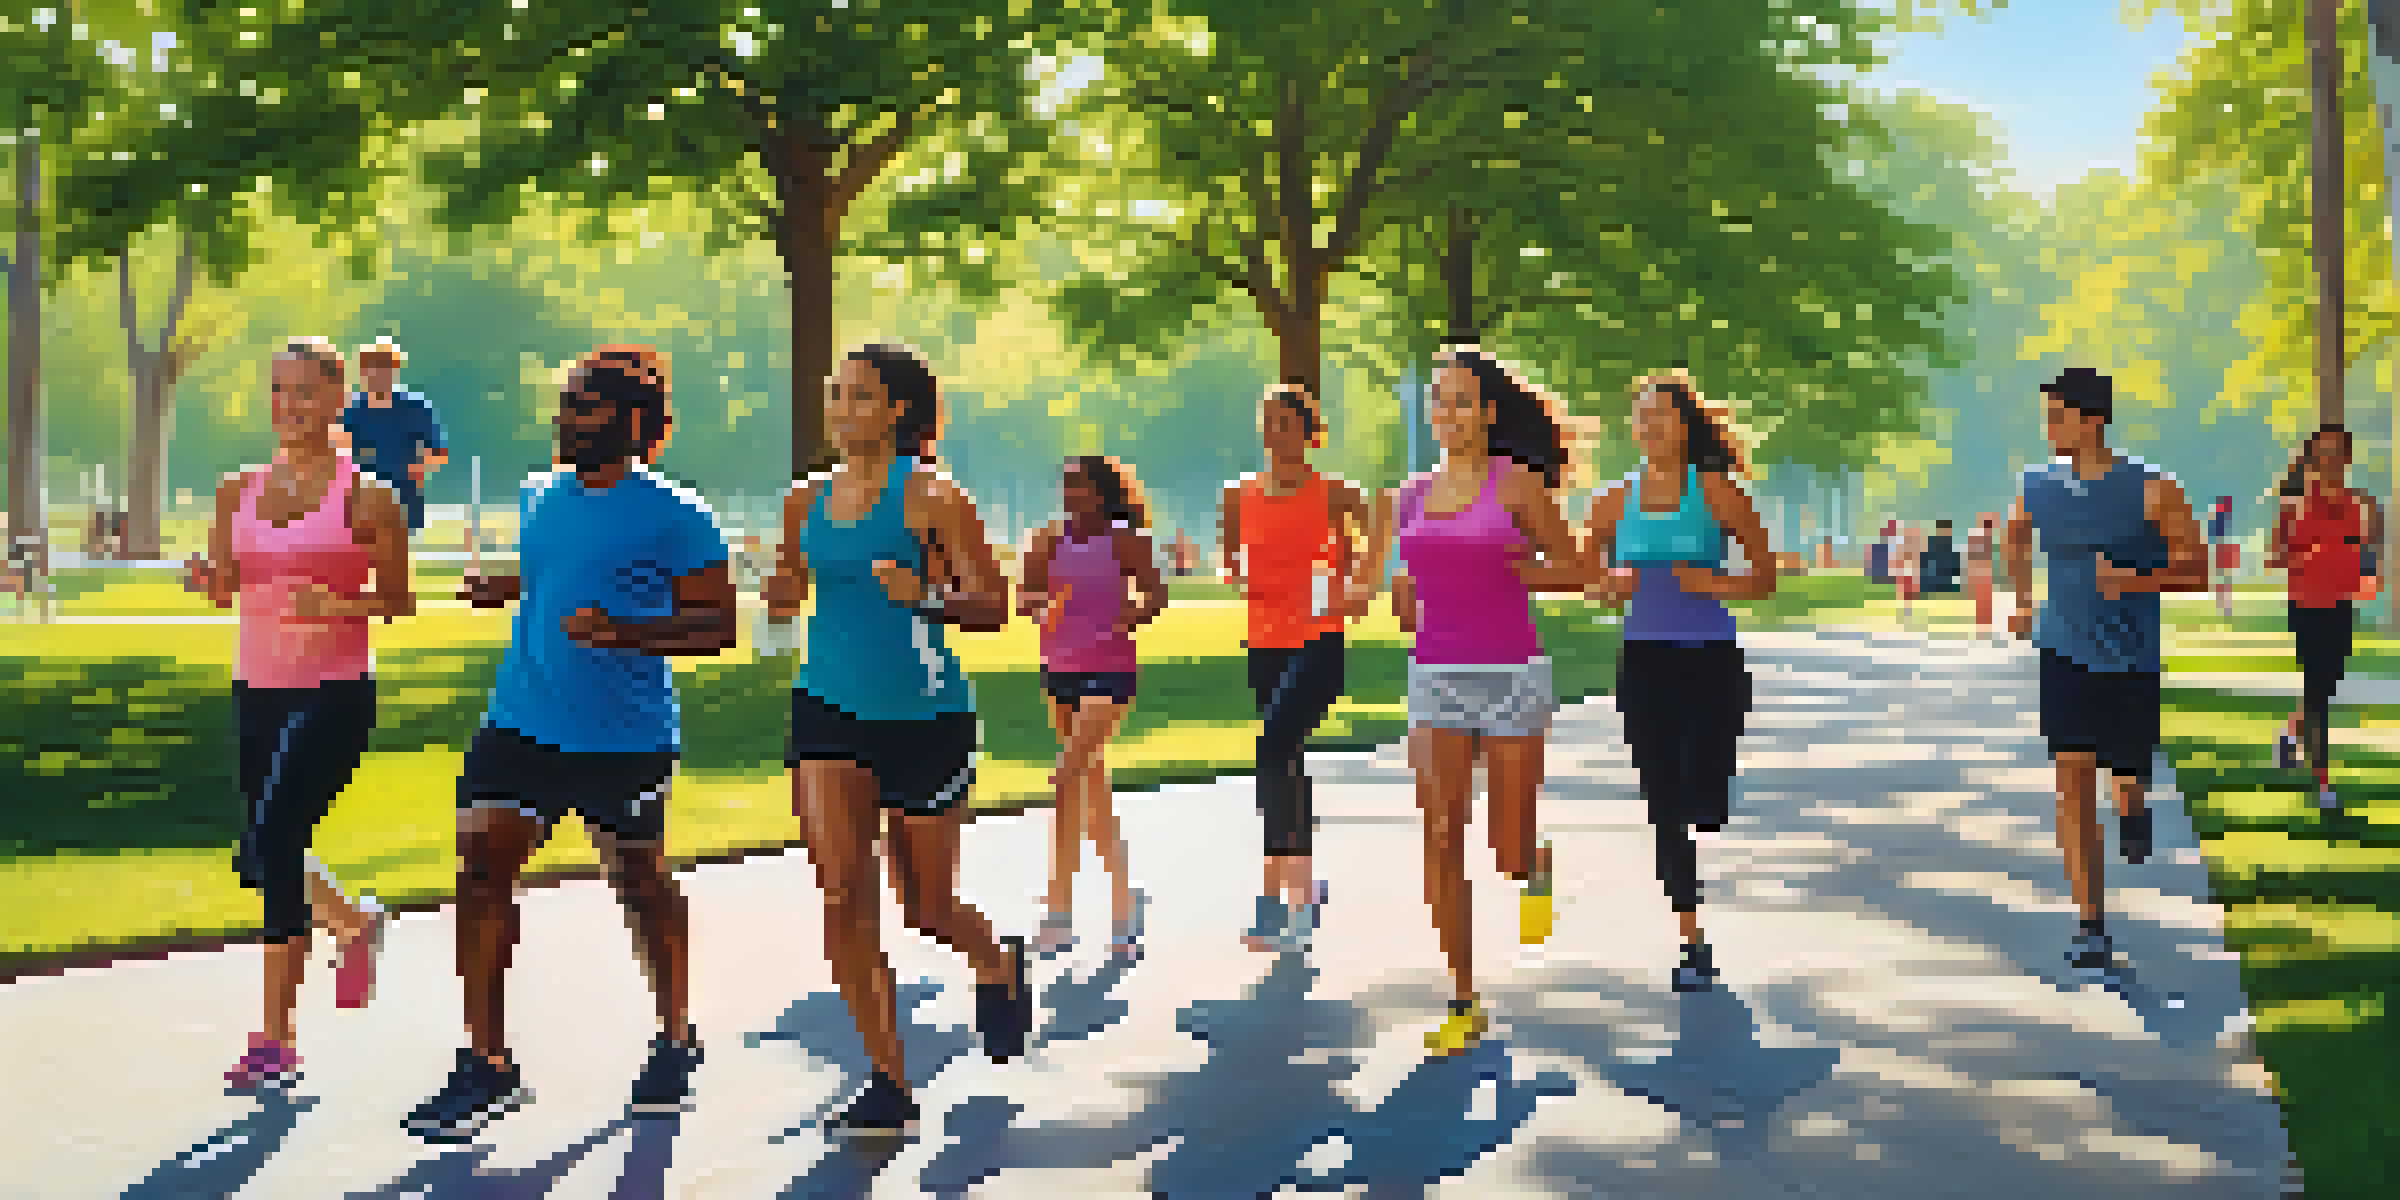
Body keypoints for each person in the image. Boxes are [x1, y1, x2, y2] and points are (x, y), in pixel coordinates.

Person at [402, 346, 734, 1142]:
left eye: (585, 406)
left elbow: (717, 625)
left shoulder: (676, 514)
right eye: (565, 405)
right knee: (480, 872)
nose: (567, 418)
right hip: (521, 719)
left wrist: (621, 631)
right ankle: (487, 1064)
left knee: (640, 885)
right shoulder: (538, 493)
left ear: (629, 420)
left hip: (622, 736)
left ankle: (677, 1036)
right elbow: (562, 571)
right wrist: (508, 588)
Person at [766, 343, 1032, 1138]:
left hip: (925, 719)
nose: (842, 410)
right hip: (827, 711)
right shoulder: (802, 502)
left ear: (898, 413)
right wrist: (775, 597)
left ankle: (996, 962)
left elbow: (993, 605)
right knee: (845, 893)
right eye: (835, 394)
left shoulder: (934, 500)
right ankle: (887, 1080)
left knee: (927, 906)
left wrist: (929, 599)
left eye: (860, 397)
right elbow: (786, 595)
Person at [192, 337, 409, 1091]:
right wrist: (207, 579)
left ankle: (274, 1038)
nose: (288, 407)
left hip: (336, 693)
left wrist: (342, 602)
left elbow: (399, 604)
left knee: (274, 843)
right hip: (257, 687)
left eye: (305, 393)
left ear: (338, 399)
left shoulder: (370, 499)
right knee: (267, 843)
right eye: (278, 391)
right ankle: (352, 923)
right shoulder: (236, 491)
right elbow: (228, 586)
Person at [1358, 347, 1583, 1054]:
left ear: (1488, 414)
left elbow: (1577, 566)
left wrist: (1530, 574)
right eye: (1438, 400)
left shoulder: (1516, 486)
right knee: (1440, 835)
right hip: (1437, 678)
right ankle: (1462, 996)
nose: (1446, 415)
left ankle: (1534, 864)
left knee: (1505, 852)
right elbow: (1395, 580)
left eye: (1460, 401)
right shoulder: (1408, 497)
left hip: (1512, 674)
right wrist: (1394, 593)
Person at [2003, 367, 2207, 979]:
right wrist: (2020, 599)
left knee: (2123, 777)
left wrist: (2134, 580)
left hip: (2130, 659)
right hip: (2062, 652)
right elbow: (2014, 536)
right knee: (2071, 779)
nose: (2048, 428)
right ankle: (2091, 925)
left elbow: (2197, 570)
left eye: (2057, 416)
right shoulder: (2036, 483)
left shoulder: (2152, 488)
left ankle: (2134, 800)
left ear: (2092, 419)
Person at [1583, 372, 1773, 993]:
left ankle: (1709, 799)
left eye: (1661, 416)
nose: (1648, 427)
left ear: (1685, 426)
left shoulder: (1715, 492)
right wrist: (1609, 586)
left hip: (1710, 658)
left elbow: (1764, 576)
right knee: (1662, 802)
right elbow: (1592, 578)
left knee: (1704, 800)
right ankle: (1690, 939)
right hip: (1643, 660)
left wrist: (1712, 583)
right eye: (1640, 417)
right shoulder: (1612, 501)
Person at [1220, 381, 1375, 955]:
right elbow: (1231, 561)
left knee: (1274, 746)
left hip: (1319, 639)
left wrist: (1357, 585)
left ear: (1311, 433)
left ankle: (1291, 896)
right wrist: (1241, 579)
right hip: (1263, 640)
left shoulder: (1337, 494)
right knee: (1284, 757)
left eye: (1285, 422)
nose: (1273, 432)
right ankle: (1288, 891)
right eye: (1266, 421)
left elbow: (1377, 541)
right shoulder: (1238, 495)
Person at [1022, 454, 1169, 961]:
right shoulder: (1046, 539)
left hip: (1110, 669)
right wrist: (1039, 605)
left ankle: (1060, 911)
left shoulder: (1126, 539)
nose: (1070, 495)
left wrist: (1129, 615)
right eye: (1065, 486)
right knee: (1089, 783)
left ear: (1103, 493)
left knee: (1068, 776)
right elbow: (1024, 596)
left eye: (1080, 487)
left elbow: (1155, 594)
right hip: (1058, 668)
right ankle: (1121, 902)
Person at [2266, 427, 2383, 812]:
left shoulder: (2361, 504)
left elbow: (2369, 552)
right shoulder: (2293, 504)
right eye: (2323, 454)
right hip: (2306, 603)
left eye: (2337, 454)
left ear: (2348, 459)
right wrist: (2311, 555)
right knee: (2318, 690)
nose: (2330, 461)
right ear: (2312, 459)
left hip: (2341, 603)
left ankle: (2289, 735)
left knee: (2324, 684)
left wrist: (2369, 576)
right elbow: (2275, 556)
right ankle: (2323, 781)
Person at [338, 337, 450, 539]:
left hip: (405, 502)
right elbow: (336, 454)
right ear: (362, 371)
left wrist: (419, 468)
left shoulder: (416, 408)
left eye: (385, 367)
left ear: (395, 370)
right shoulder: (349, 411)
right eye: (372, 367)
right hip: (359, 504)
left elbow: (438, 453)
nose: (378, 374)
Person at [1968, 514, 1999, 639]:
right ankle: (1983, 628)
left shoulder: (1986, 538)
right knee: (1983, 600)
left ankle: (1984, 627)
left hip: (1984, 573)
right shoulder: (1979, 538)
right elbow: (1973, 557)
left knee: (1984, 600)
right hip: (1982, 573)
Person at [1920, 519, 1962, 597]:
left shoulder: (1951, 550)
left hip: (1936, 587)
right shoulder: (1933, 546)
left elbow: (1955, 569)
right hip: (1935, 587)